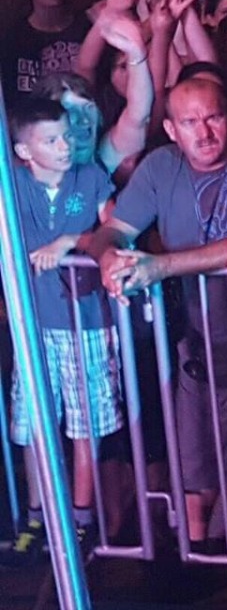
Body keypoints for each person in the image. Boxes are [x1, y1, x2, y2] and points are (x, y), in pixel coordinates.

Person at [92, 78, 227, 557]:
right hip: (201, 331)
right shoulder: (160, 166)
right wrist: (109, 258)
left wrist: (160, 266)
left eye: (212, 117)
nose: (204, 132)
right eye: (190, 122)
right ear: (171, 129)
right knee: (197, 447)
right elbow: (113, 232)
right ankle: (197, 551)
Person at [5, 98, 121, 557]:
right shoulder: (11, 184)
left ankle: (81, 518)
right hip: (33, 324)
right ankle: (37, 516)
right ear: (23, 150)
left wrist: (71, 240)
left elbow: (118, 231)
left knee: (85, 424)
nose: (65, 146)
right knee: (34, 423)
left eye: (67, 136)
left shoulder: (91, 177)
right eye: (51, 140)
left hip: (86, 325)